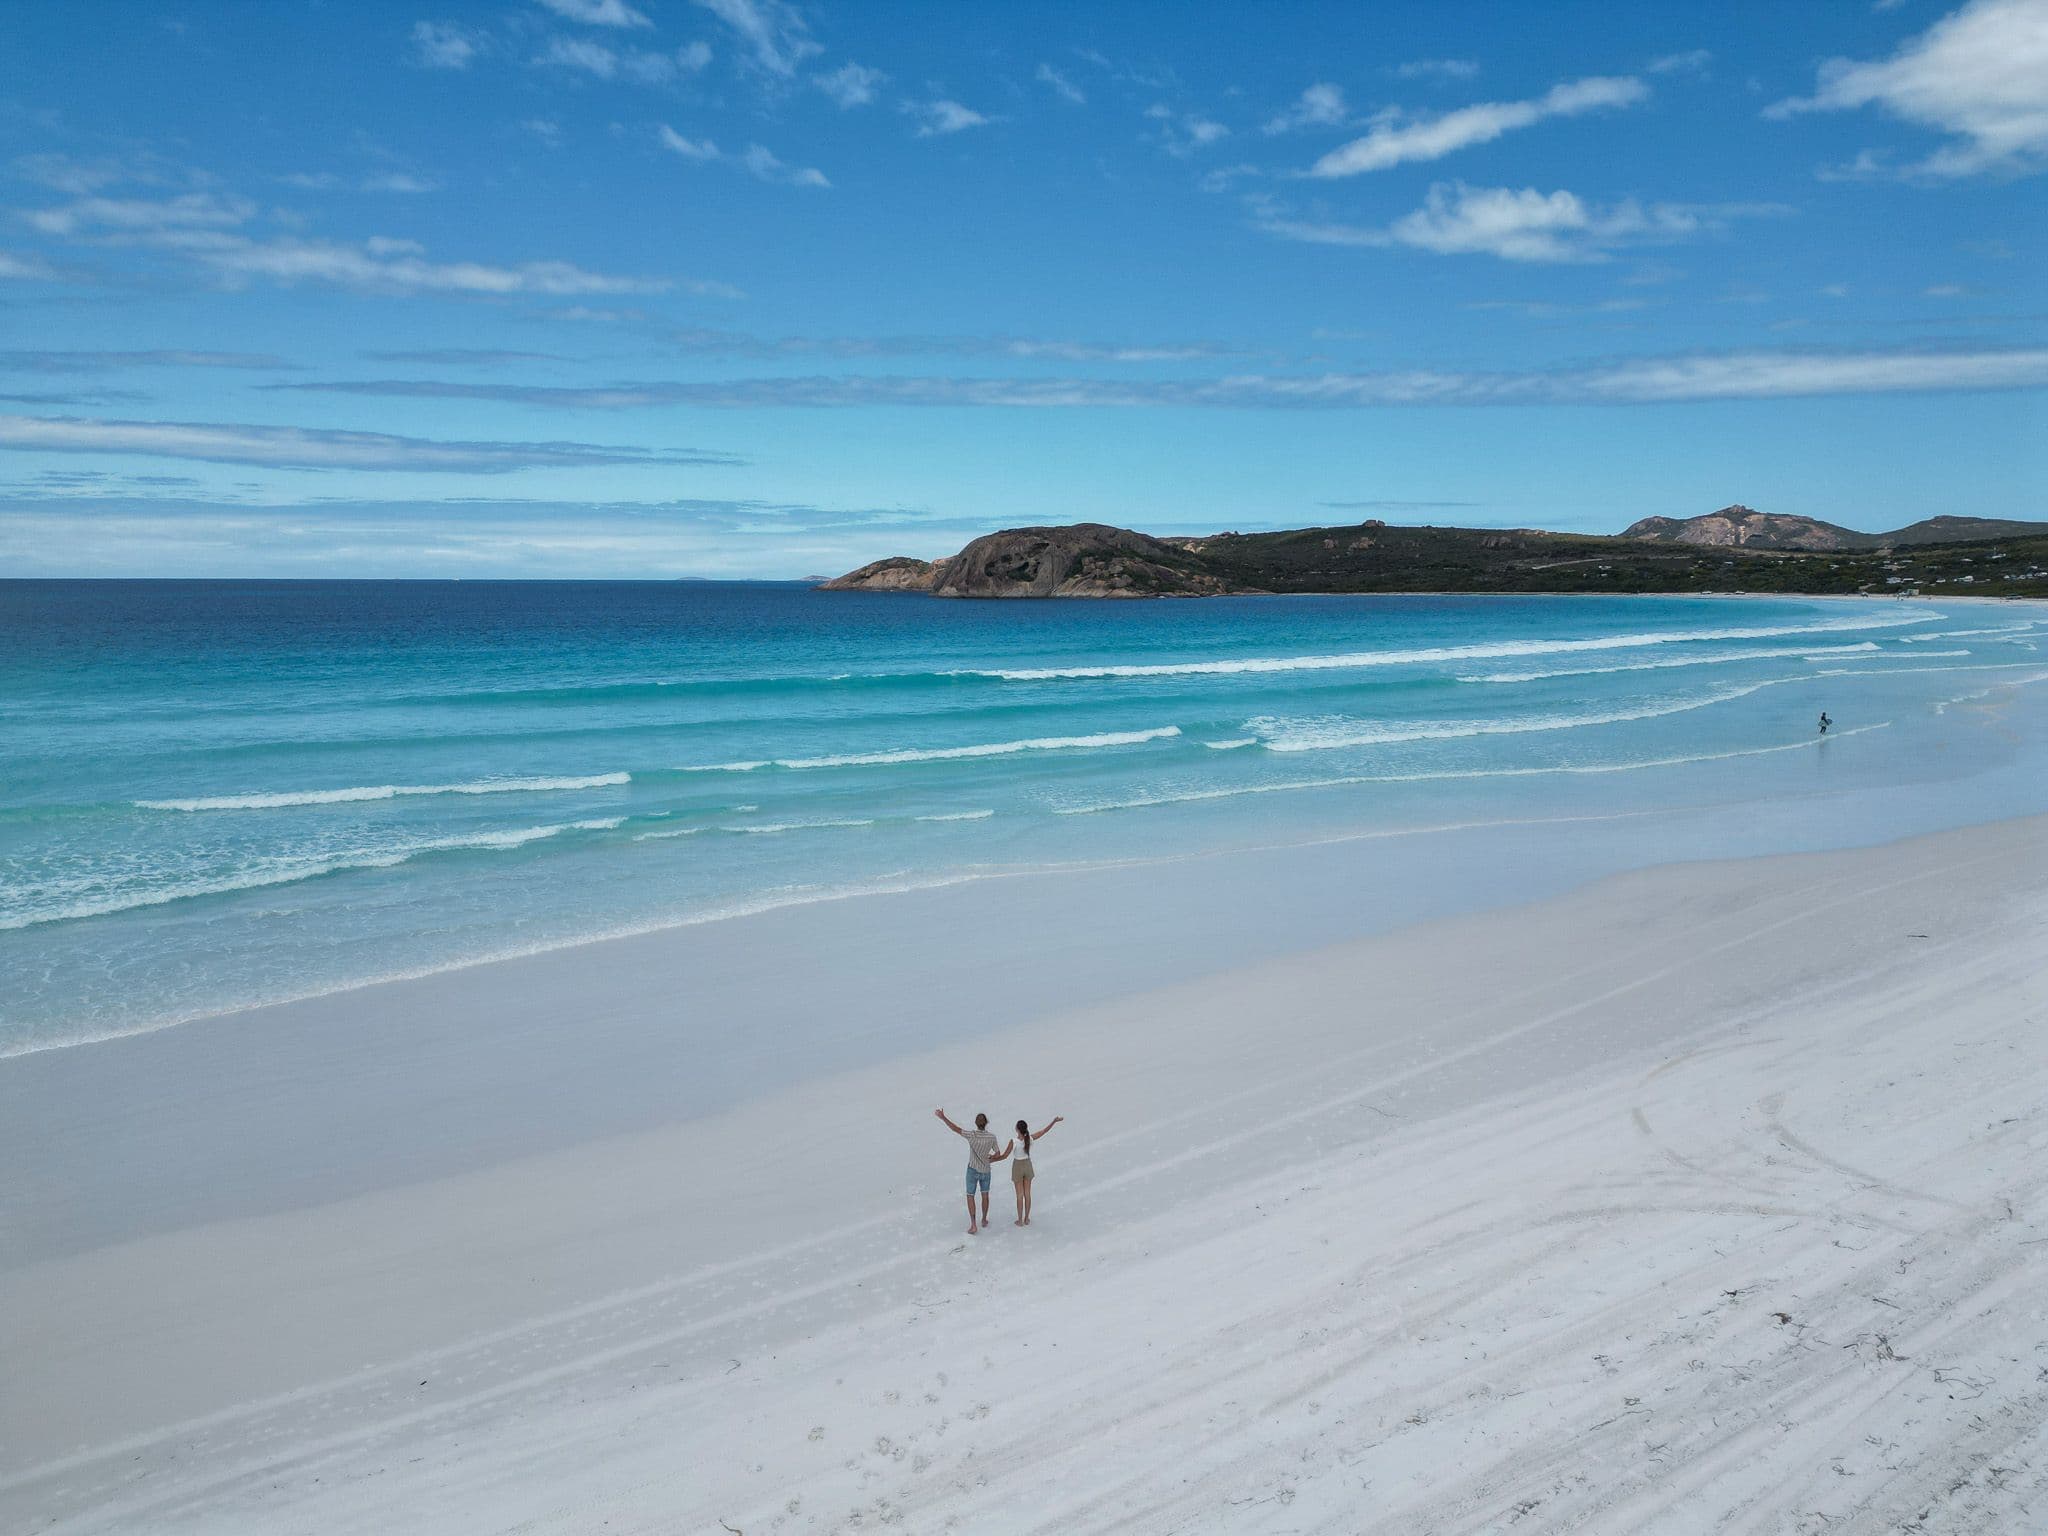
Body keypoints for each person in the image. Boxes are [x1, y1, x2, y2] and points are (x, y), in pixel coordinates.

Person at [934, 1108, 1002, 1234]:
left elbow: (955, 1128)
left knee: (970, 1196)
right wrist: (990, 1158)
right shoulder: (992, 1137)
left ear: (976, 1123)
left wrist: (943, 1117)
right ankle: (984, 1219)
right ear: (986, 1123)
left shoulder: (971, 1135)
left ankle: (973, 1224)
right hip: (986, 1170)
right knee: (985, 1195)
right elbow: (998, 1153)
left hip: (972, 1169)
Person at [1002, 1115, 1063, 1226]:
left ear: (1017, 1129)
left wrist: (992, 1159)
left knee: (1019, 1195)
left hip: (1017, 1166)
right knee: (1027, 1194)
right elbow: (1043, 1131)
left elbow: (1005, 1155)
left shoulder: (1014, 1141)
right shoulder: (1029, 1139)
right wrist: (1054, 1121)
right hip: (1028, 1165)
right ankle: (1026, 1218)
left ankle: (1020, 1220)